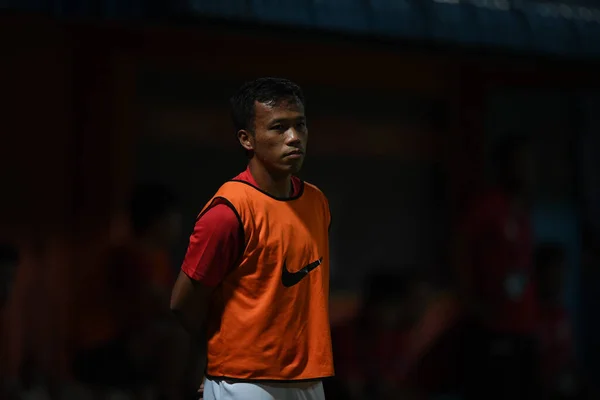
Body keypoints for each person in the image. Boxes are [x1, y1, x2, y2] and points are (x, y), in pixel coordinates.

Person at [170, 77, 333, 400]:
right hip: (245, 382)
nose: (294, 138)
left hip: (310, 379)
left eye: (300, 125)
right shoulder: (228, 211)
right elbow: (183, 303)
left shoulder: (317, 202)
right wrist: (220, 360)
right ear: (247, 140)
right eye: (278, 128)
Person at [71, 184, 187, 400]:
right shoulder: (130, 256)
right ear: (157, 220)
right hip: (102, 349)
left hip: (132, 342)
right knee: (179, 337)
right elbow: (160, 306)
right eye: (174, 217)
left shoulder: (159, 259)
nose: (179, 224)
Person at [455, 135, 539, 399]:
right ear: (505, 166)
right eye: (520, 161)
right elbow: (458, 249)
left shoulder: (522, 211)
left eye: (530, 162)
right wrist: (471, 301)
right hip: (493, 329)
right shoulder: (487, 206)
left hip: (524, 328)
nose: (527, 168)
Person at [535, 243, 579, 399]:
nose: (560, 279)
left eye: (563, 272)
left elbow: (570, 360)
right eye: (554, 273)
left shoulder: (562, 315)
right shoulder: (530, 318)